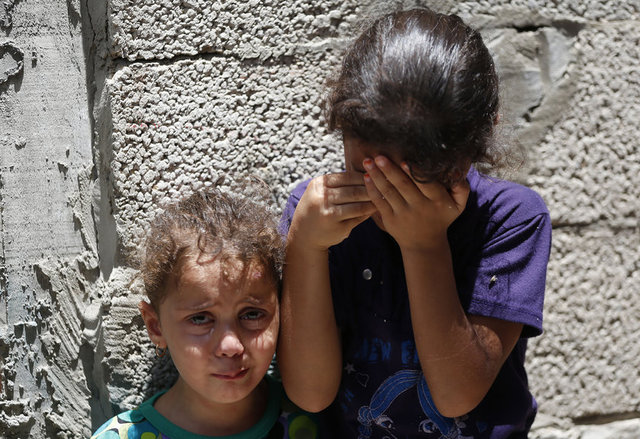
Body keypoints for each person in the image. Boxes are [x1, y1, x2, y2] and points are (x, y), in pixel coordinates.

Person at [278, 7, 552, 439]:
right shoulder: (315, 220)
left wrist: (424, 244)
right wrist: (306, 246)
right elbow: (309, 395)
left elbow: (457, 396)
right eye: (367, 171)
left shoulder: (510, 218)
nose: (389, 197)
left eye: (414, 181)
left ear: (474, 146)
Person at [91, 189, 320, 439]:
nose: (231, 346)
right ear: (156, 326)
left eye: (252, 314)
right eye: (200, 318)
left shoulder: (317, 421)